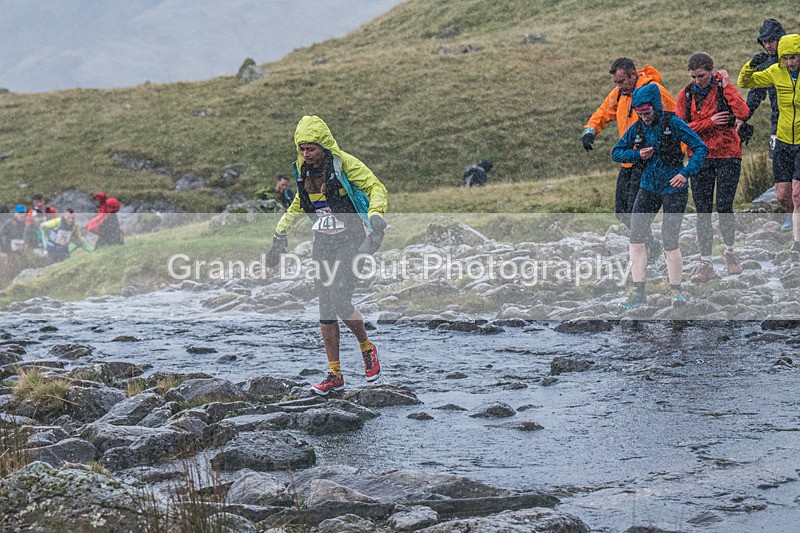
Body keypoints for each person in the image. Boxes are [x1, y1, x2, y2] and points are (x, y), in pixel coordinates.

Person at [264, 115, 388, 395]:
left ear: (324, 146)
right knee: (325, 307)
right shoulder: (302, 169)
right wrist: (279, 233)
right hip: (323, 241)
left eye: (311, 149)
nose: (306, 154)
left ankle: (367, 348)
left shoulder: (344, 163)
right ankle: (335, 374)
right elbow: (300, 202)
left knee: (340, 298)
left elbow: (376, 187)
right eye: (302, 149)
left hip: (351, 239)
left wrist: (376, 214)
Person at [612, 84, 709, 309]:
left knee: (670, 239)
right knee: (636, 237)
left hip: (674, 189)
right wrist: (637, 154)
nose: (644, 117)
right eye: (639, 113)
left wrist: (686, 173)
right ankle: (638, 292)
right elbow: (616, 152)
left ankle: (676, 292)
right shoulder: (637, 128)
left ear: (655, 106)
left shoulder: (673, 123)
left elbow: (701, 148)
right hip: (647, 188)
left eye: (647, 112)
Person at [582, 57, 677, 261]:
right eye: (616, 82)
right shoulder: (620, 93)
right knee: (622, 212)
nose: (618, 86)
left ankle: (646, 252)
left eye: (622, 81)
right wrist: (590, 131)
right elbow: (603, 112)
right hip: (629, 160)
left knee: (636, 213)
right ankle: (652, 245)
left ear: (633, 74)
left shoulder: (655, 91)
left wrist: (679, 155)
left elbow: (676, 120)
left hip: (648, 162)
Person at [676, 52, 750, 282]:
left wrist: (728, 86)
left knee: (725, 206)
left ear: (711, 71)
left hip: (728, 154)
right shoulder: (686, 95)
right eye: (693, 76)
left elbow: (743, 112)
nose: (697, 80)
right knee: (703, 210)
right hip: (700, 157)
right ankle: (706, 262)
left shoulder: (723, 88)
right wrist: (709, 122)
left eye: (701, 75)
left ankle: (730, 253)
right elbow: (680, 128)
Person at [739, 34, 800, 254]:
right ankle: (793, 219)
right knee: (782, 195)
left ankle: (796, 244)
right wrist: (751, 65)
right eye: (786, 58)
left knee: (797, 194)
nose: (790, 62)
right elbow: (745, 82)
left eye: (794, 57)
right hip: (783, 140)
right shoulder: (775, 72)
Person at [744, 19, 792, 232]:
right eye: (764, 42)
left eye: (772, 40)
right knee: (781, 175)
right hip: (778, 125)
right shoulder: (766, 64)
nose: (768, 45)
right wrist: (743, 116)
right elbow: (755, 94)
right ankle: (791, 213)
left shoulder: (795, 60)